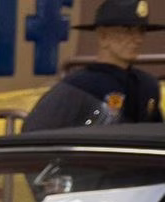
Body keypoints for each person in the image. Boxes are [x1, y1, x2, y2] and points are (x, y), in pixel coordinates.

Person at [25, 0, 163, 129]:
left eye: (141, 31)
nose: (137, 39)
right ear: (103, 37)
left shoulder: (147, 85)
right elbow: (34, 134)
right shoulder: (79, 86)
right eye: (127, 30)